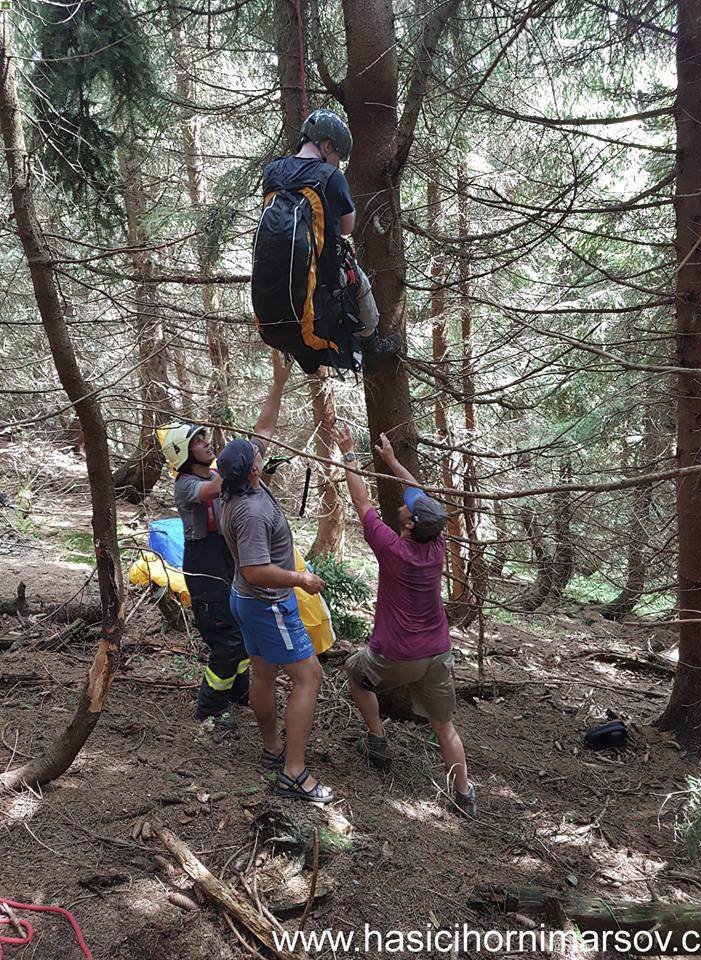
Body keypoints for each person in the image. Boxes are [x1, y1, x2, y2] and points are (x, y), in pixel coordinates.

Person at [335, 424, 477, 819]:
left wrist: (349, 454)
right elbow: (418, 491)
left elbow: (362, 501)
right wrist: (392, 461)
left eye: (409, 510)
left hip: (397, 654)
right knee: (443, 725)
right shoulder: (435, 542)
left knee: (355, 672)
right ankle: (464, 794)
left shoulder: (393, 548)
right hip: (437, 653)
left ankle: (377, 739)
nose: (405, 504)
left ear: (411, 524)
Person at [218, 352, 334, 804]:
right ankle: (293, 771)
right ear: (252, 469)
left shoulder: (239, 482)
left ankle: (271, 750)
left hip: (248, 599)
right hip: (266, 600)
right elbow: (254, 568)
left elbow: (261, 430)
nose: (262, 451)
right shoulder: (248, 508)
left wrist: (278, 380)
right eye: (257, 456)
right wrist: (300, 580)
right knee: (309, 678)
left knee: (264, 673)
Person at [261, 108, 400, 363]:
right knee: (360, 286)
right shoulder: (331, 176)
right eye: (338, 155)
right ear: (326, 146)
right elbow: (347, 228)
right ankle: (372, 345)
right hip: (317, 275)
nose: (339, 163)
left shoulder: (272, 171)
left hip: (273, 277)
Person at [159, 423, 250, 731]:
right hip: (204, 566)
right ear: (184, 454)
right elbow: (211, 492)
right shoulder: (185, 485)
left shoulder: (213, 475)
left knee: (242, 629)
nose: (206, 443)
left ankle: (240, 691)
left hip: (226, 559)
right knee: (226, 636)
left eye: (204, 438)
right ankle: (211, 707)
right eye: (197, 441)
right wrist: (233, 462)